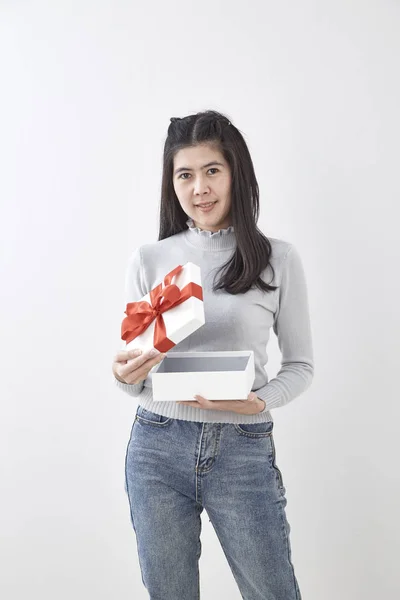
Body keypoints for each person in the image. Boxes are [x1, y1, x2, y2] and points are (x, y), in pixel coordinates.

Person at [112, 110, 314, 600]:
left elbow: (300, 365)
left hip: (242, 449)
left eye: (212, 171)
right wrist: (123, 374)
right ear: (172, 183)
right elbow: (134, 372)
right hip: (156, 446)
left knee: (272, 591)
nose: (199, 187)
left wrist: (260, 402)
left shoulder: (277, 258)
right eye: (185, 174)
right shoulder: (150, 259)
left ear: (235, 174)